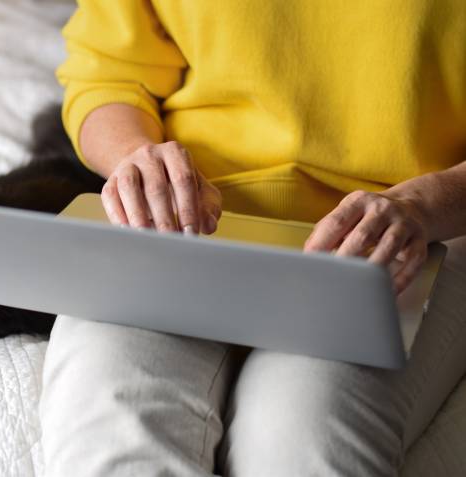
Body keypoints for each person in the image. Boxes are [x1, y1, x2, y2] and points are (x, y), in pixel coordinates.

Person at [39, 1, 466, 475]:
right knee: (110, 437)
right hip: (184, 220)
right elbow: (108, 76)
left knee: (302, 441)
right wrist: (135, 157)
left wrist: (423, 205)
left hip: (410, 234)